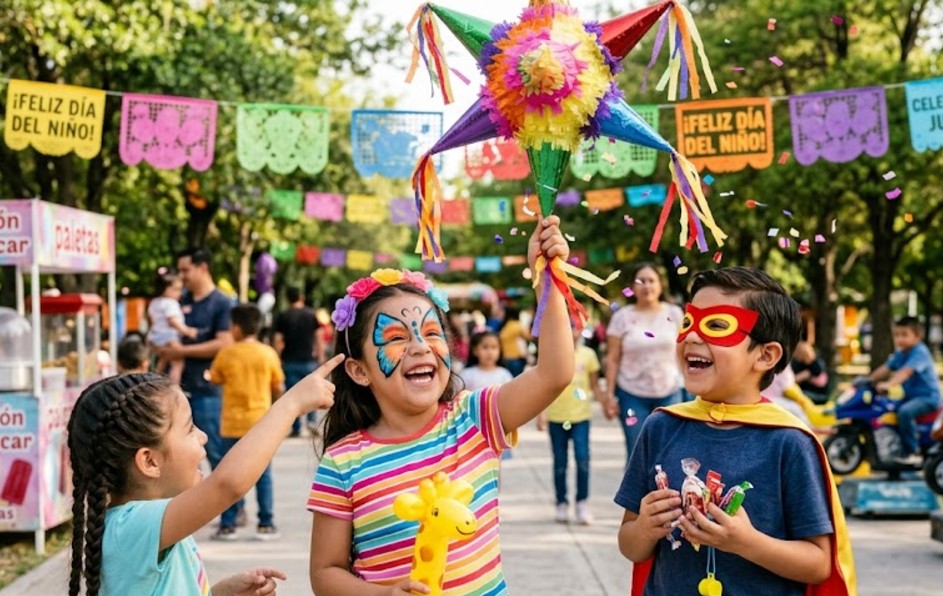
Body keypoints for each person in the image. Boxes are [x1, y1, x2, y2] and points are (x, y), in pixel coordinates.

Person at [307, 217, 575, 594]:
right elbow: (325, 573)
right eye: (397, 337)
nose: (420, 346)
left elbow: (555, 373)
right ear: (359, 370)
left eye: (432, 333)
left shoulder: (475, 419)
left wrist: (548, 280)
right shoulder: (342, 461)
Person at [615, 267, 855, 596]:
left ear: (766, 355)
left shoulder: (789, 441)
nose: (693, 337)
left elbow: (818, 563)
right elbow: (629, 544)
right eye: (689, 322)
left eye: (717, 325)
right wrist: (644, 528)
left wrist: (746, 542)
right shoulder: (661, 426)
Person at [66, 356, 343, 596]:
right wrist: (291, 404)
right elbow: (228, 484)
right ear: (149, 461)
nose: (203, 436)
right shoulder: (130, 527)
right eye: (189, 429)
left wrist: (219, 592)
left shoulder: (150, 527)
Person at [209, 304, 285, 541]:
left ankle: (228, 524)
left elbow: (215, 378)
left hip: (231, 424)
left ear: (237, 327)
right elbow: (277, 386)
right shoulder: (268, 353)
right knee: (263, 475)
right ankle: (266, 522)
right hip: (259, 425)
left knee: (229, 475)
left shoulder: (226, 353)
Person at [158, 247, 233, 470]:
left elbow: (224, 343)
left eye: (185, 270)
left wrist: (180, 352)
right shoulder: (177, 300)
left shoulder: (222, 303)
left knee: (217, 455)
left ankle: (232, 506)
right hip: (174, 391)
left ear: (203, 268)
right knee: (180, 461)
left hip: (207, 391)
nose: (181, 276)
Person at [605, 262, 684, 461]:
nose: (646, 286)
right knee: (637, 452)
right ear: (632, 287)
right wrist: (608, 395)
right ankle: (636, 493)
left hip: (670, 391)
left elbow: (685, 352)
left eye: (651, 280)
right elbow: (613, 359)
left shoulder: (674, 314)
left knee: (669, 452)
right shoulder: (622, 317)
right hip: (631, 393)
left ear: (660, 285)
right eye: (641, 281)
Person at [537, 326, 610, 525]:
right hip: (557, 417)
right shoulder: (552, 355)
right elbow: (544, 385)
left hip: (581, 418)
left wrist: (606, 403)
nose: (572, 332)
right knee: (560, 463)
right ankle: (561, 502)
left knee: (582, 459)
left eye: (576, 328)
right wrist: (541, 413)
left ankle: (582, 503)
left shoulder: (588, 355)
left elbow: (594, 384)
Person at [866, 316, 942, 465]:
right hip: (911, 397)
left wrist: (888, 385)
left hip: (928, 398)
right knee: (885, 408)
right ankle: (893, 447)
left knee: (905, 413)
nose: (900, 339)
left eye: (904, 335)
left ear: (917, 336)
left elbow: (906, 373)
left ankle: (913, 452)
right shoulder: (901, 353)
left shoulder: (920, 352)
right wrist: (868, 379)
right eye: (897, 335)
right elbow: (886, 368)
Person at [273, 286, 320, 438]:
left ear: (287, 298)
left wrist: (277, 356)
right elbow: (318, 336)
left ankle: (296, 427)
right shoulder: (311, 314)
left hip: (289, 360)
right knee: (312, 391)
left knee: (292, 394)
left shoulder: (283, 315)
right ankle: (312, 420)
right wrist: (320, 355)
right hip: (308, 359)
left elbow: (278, 339)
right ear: (301, 296)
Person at [147, 269, 197, 383]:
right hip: (168, 337)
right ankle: (175, 386)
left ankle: (154, 382)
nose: (179, 293)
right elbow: (172, 321)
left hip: (155, 336)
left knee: (163, 360)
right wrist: (188, 331)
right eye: (176, 289)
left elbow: (155, 318)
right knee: (178, 362)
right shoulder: (171, 303)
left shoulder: (155, 302)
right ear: (165, 289)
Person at [498, 306, 530, 377]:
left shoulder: (504, 326)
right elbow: (528, 337)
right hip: (516, 357)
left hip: (505, 357)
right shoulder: (516, 325)